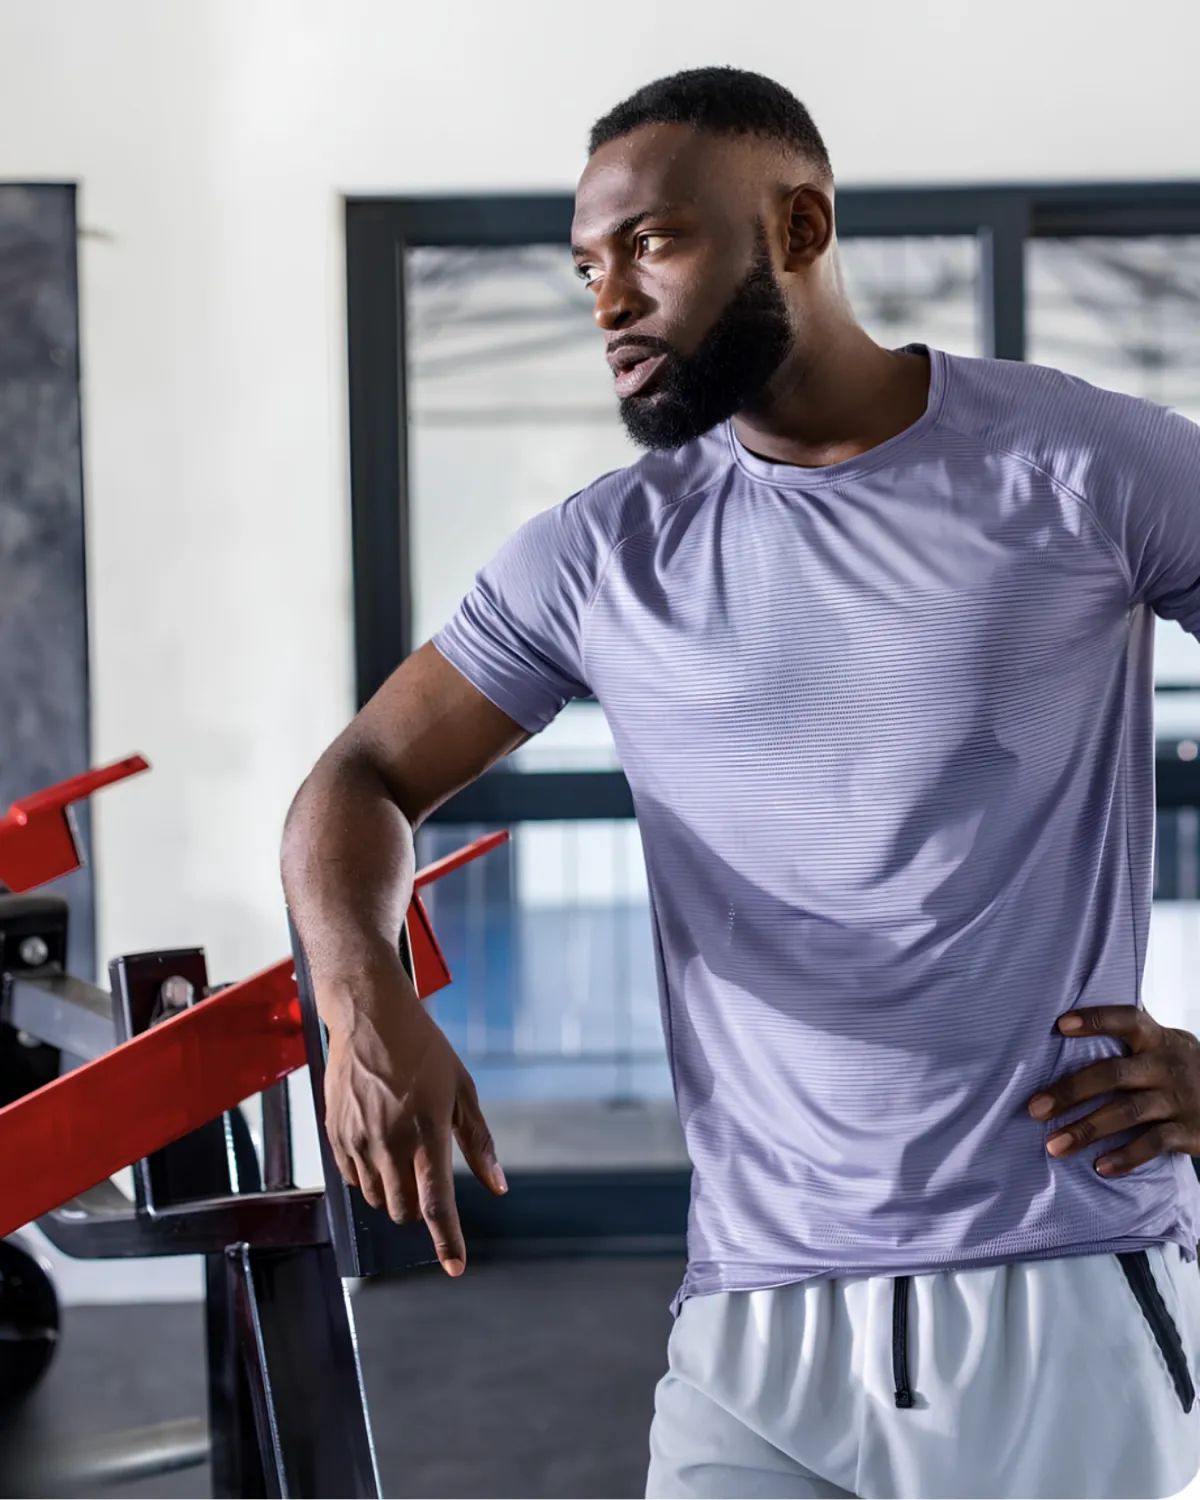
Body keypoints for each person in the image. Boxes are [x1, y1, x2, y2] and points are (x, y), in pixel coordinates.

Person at [281, 66, 1200, 1499]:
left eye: (653, 242)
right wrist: (359, 999)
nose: (609, 299)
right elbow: (360, 775)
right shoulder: (601, 554)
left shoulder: (1083, 467)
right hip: (751, 1323)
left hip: (1059, 1286)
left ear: (800, 225)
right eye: (588, 262)